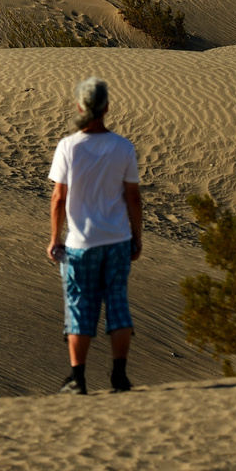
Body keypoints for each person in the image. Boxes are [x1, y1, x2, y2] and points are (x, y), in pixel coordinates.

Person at [46, 77, 142, 395]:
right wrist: (136, 238)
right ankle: (119, 376)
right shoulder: (123, 147)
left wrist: (55, 238)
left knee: (80, 307)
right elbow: (133, 198)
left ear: (79, 106)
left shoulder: (68, 148)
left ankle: (78, 379)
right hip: (116, 240)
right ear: (107, 108)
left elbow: (59, 197)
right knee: (117, 304)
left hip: (80, 245)